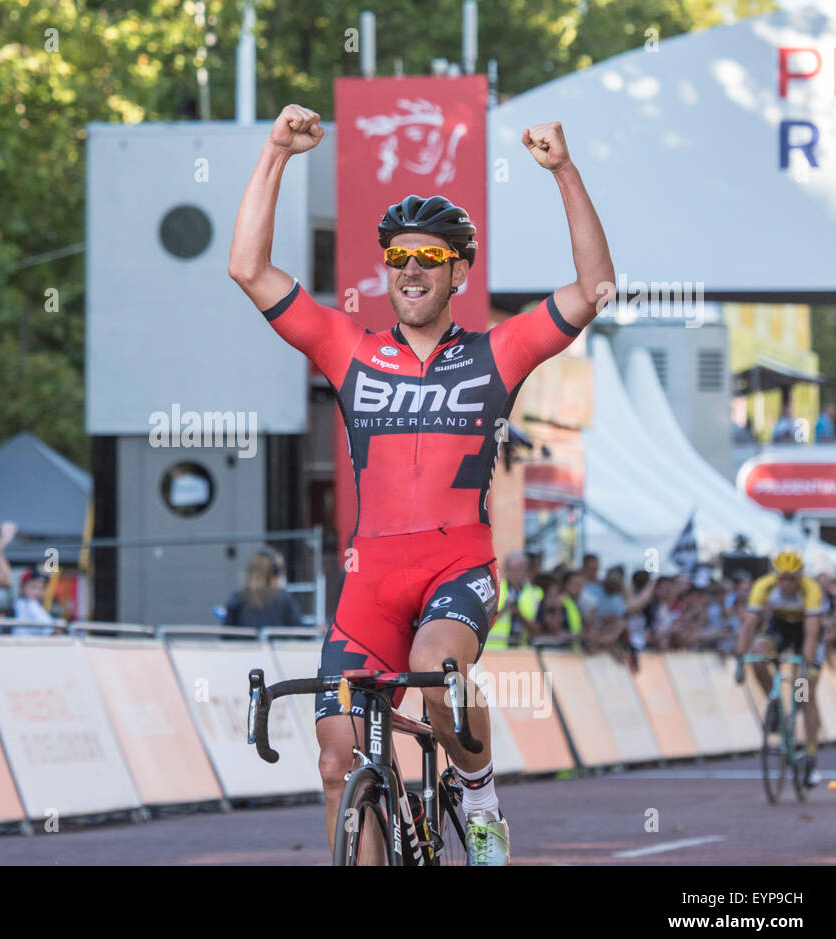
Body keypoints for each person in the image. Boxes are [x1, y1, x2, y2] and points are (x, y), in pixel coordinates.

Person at [228, 103, 614, 865]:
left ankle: (479, 799)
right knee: (338, 761)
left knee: (443, 678)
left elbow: (596, 286)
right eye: (398, 257)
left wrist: (563, 171)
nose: (410, 270)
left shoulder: (496, 354)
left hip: (455, 571)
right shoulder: (350, 350)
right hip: (370, 580)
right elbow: (248, 269)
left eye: (430, 259)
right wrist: (275, 151)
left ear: (459, 272)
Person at [734, 550, 826, 787]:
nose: (786, 584)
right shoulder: (763, 586)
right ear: (775, 577)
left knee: (805, 692)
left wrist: (803, 669)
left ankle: (811, 757)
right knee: (758, 655)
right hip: (780, 629)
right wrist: (739, 659)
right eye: (782, 578)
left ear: (800, 577)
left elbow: (811, 634)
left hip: (805, 634)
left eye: (791, 578)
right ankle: (774, 704)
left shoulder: (811, 590)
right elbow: (749, 625)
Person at [223, 549, 301, 630]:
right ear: (272, 573)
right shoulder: (284, 599)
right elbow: (299, 630)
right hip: (276, 642)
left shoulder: (237, 599)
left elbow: (227, 634)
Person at [487, 551, 541, 650]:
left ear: (526, 570)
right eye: (511, 569)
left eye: (519, 569)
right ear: (505, 570)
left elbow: (538, 629)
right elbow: (483, 624)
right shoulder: (494, 589)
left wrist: (520, 615)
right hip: (494, 649)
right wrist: (504, 609)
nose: (515, 573)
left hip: (521, 652)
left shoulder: (536, 593)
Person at [12, 567, 58, 636]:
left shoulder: (37, 606)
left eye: (42, 588)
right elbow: (53, 631)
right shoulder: (26, 604)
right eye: (33, 587)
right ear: (22, 588)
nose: (38, 592)